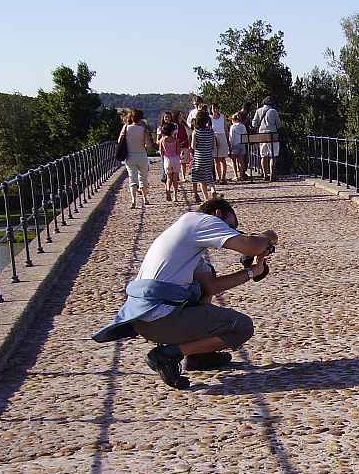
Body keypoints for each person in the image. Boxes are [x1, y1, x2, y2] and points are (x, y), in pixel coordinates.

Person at [93, 198, 278, 389]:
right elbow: (251, 245)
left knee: (204, 281)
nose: (231, 233)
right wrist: (269, 236)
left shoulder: (186, 240)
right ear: (218, 214)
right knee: (242, 327)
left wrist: (252, 272)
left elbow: (211, 287)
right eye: (230, 227)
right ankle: (169, 354)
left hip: (143, 320)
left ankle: (199, 356)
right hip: (163, 316)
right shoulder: (200, 220)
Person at [117, 108, 154, 208]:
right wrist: (143, 146)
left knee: (132, 178)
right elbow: (149, 145)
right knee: (143, 178)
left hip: (130, 156)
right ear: (140, 118)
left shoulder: (126, 128)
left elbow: (119, 140)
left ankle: (133, 201)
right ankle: (145, 199)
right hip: (142, 155)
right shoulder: (143, 129)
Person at [252, 95, 281, 181]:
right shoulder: (274, 111)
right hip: (273, 135)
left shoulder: (258, 111)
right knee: (273, 155)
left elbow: (254, 124)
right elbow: (278, 124)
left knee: (263, 155)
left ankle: (265, 174)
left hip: (262, 135)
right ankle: (272, 174)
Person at [190, 110, 217, 201]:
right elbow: (213, 145)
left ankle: (206, 198)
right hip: (209, 156)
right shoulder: (211, 131)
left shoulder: (195, 132)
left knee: (201, 179)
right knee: (209, 174)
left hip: (199, 157)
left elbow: (193, 146)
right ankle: (212, 189)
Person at [159, 123, 181, 202]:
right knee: (175, 179)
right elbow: (178, 151)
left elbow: (161, 152)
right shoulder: (176, 140)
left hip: (167, 160)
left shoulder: (162, 140)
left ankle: (168, 189)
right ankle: (175, 196)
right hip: (175, 159)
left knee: (168, 178)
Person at [210, 103, 230, 184]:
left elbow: (225, 128)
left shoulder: (222, 117)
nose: (215, 109)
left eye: (216, 108)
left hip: (222, 136)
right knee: (216, 159)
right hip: (213, 137)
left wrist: (228, 139)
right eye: (213, 108)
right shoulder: (210, 118)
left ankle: (223, 177)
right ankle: (219, 177)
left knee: (222, 159)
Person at [229, 112, 247, 181]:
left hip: (235, 145)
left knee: (233, 161)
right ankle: (241, 175)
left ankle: (236, 175)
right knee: (241, 161)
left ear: (234, 119)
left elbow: (231, 137)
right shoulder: (243, 126)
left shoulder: (233, 127)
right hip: (242, 144)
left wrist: (230, 146)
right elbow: (245, 135)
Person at [175, 111, 191, 183]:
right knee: (176, 162)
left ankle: (183, 176)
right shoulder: (175, 125)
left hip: (185, 145)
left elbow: (189, 134)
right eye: (180, 115)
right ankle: (177, 176)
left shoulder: (185, 125)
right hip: (176, 145)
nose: (181, 116)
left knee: (183, 162)